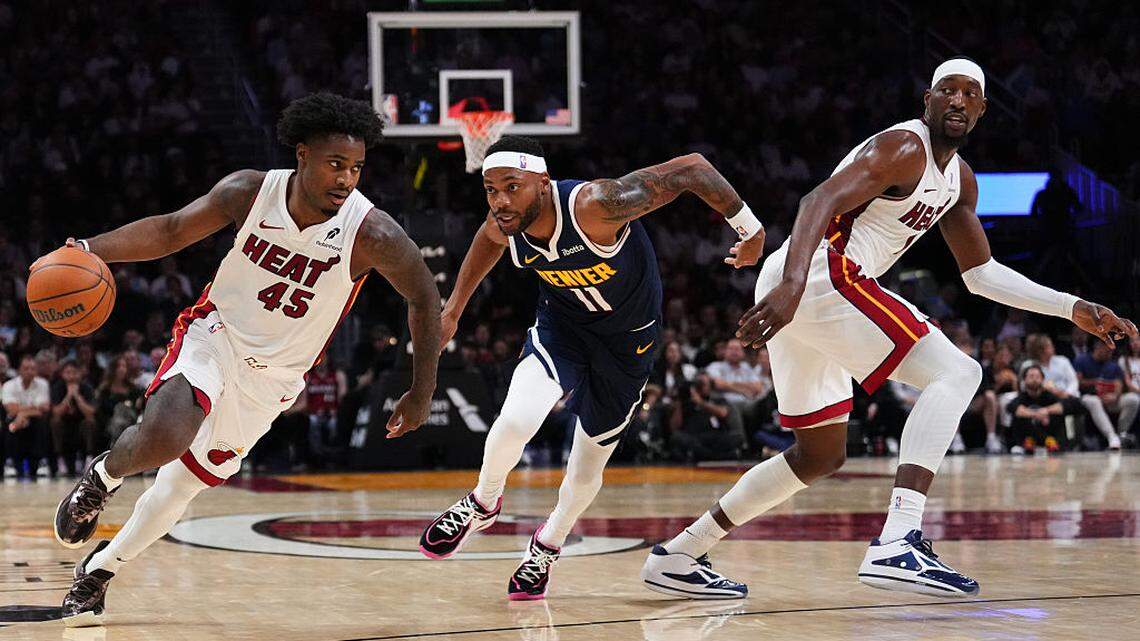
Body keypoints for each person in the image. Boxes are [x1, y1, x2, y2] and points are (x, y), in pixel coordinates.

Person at [642, 57, 1138, 599]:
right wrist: (792, 284)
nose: (956, 100)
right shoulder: (904, 147)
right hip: (820, 274)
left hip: (805, 285)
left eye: (968, 93)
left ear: (981, 110)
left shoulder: (958, 181)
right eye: (946, 90)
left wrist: (1072, 308)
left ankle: (681, 554)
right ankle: (898, 539)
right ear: (926, 100)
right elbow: (820, 198)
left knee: (820, 455)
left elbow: (980, 275)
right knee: (959, 373)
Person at [47, 92, 442, 626]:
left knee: (178, 490)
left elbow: (423, 297)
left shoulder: (371, 232)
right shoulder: (250, 192)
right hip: (215, 335)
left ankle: (99, 571)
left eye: (355, 168)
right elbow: (168, 231)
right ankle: (101, 479)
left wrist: (421, 392)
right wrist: (89, 249)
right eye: (334, 164)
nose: (346, 179)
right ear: (301, 155)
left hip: (274, 379)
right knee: (166, 434)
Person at [419, 135, 762, 600]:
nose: (500, 200)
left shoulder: (595, 206)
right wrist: (454, 309)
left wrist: (748, 227)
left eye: (511, 187)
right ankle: (483, 501)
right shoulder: (506, 218)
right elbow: (487, 240)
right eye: (491, 189)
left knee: (584, 472)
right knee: (515, 419)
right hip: (563, 328)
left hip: (626, 347)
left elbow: (692, 169)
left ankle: (548, 544)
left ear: (542, 182)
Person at [1074, 341, 1140, 449]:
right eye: (1108, 350)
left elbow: (1119, 383)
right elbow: (1077, 381)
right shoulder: (1082, 360)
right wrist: (1096, 382)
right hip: (1089, 398)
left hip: (1110, 400)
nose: (1111, 353)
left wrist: (1115, 396)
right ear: (1099, 348)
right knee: (1093, 401)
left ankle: (1121, 434)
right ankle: (1111, 436)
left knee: (1133, 399)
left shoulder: (1113, 364)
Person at [2, 355, 51, 479]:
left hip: (34, 421)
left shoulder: (43, 384)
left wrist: (23, 414)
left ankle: (41, 462)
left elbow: (44, 409)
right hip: (14, 422)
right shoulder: (9, 385)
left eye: (33, 368)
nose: (30, 371)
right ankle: (10, 462)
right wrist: (31, 409)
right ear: (19, 370)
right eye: (26, 368)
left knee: (42, 423)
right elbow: (11, 410)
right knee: (11, 426)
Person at [49, 360, 98, 476]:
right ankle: (59, 460)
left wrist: (77, 397)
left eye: (74, 372)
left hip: (80, 425)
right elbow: (56, 413)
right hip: (65, 425)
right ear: (62, 374)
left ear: (80, 374)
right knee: (55, 422)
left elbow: (90, 413)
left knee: (90, 422)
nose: (71, 376)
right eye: (68, 372)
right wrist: (68, 396)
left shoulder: (86, 387)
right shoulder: (58, 387)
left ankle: (88, 459)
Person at [1007, 365, 1065, 454]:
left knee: (1057, 411)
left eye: (1037, 377)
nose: (1034, 379)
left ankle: (1050, 442)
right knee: (1020, 415)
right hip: (1027, 437)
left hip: (1049, 433)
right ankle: (1030, 442)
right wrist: (1036, 415)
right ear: (1024, 380)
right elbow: (1011, 407)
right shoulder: (1022, 397)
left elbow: (1068, 405)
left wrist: (1047, 411)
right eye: (1031, 376)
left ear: (1043, 379)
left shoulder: (1049, 395)